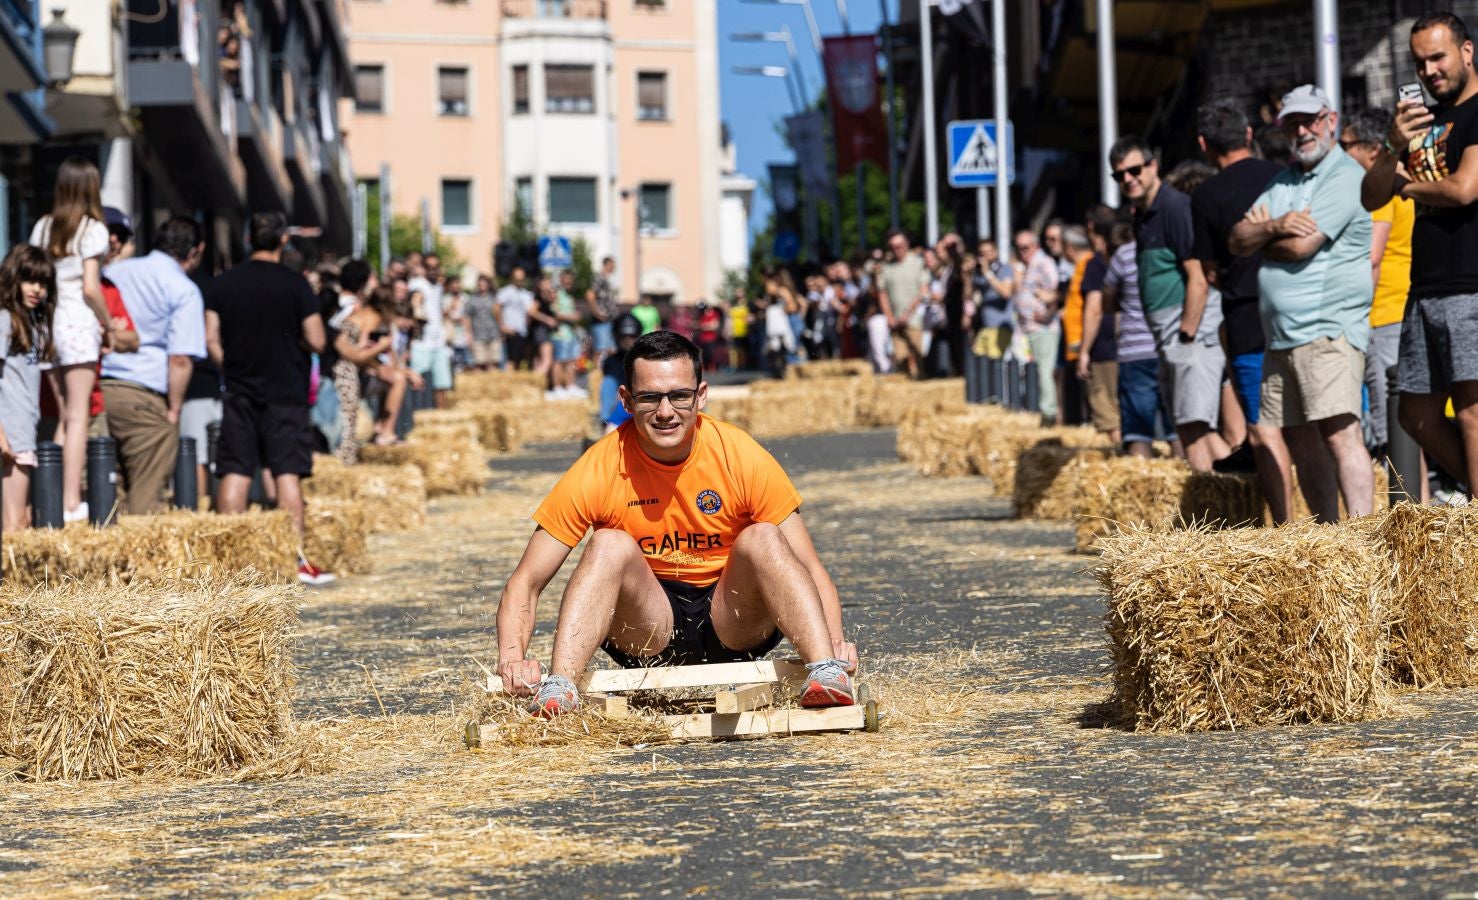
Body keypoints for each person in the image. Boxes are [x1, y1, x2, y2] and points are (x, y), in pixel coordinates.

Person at [494, 330, 858, 716]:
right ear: (627, 400)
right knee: (608, 544)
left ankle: (826, 672)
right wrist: (512, 658)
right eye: (650, 397)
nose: (666, 412)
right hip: (647, 627)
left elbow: (810, 567)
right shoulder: (599, 466)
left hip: (733, 620)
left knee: (764, 536)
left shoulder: (740, 454)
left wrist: (835, 641)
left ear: (700, 395)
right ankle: (560, 688)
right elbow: (527, 580)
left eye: (679, 396)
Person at [1231, 84, 1375, 523]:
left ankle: (1362, 540)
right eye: (1293, 123)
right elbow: (1237, 239)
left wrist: (1265, 237)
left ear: (1331, 120)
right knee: (1300, 440)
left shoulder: (1346, 175)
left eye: (1310, 120)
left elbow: (1301, 248)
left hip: (1327, 327)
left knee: (1339, 434)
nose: (1302, 130)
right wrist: (1277, 225)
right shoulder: (1284, 180)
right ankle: (1329, 538)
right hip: (1282, 336)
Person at [1360, 12, 1478, 496]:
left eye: (1438, 57)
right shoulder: (1421, 124)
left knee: (1472, 412)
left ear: (1467, 52)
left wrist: (1405, 185)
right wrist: (1391, 144)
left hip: (1470, 284)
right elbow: (1371, 196)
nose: (1429, 70)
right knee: (1415, 414)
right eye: (1419, 63)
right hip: (1423, 288)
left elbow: (1465, 189)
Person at [205, 212, 332, 583]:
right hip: (285, 392)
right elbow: (318, 340)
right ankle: (296, 560)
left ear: (248, 240)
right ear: (282, 241)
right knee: (287, 473)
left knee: (235, 471)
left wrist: (230, 364)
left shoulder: (223, 284)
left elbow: (211, 338)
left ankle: (228, 566)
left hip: (240, 390)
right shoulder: (295, 285)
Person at [1191, 99, 1296, 522]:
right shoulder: (1284, 176)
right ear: (1249, 135)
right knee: (1305, 426)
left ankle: (1288, 528)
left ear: (1203, 144)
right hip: (1294, 310)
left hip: (1246, 319)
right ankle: (1327, 526)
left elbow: (1209, 270)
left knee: (1263, 428)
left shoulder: (1205, 196)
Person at [1111, 135, 1229, 470]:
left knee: (1194, 426)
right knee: (1188, 425)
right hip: (1170, 333)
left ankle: (1222, 508)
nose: (1128, 179)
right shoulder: (1144, 214)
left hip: (1187, 330)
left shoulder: (1174, 208)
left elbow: (1198, 275)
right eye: (1119, 175)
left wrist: (1187, 334)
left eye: (1134, 170)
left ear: (1152, 166)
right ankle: (1226, 500)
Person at [98, 216, 205, 515]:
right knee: (146, 502)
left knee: (106, 495)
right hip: (144, 395)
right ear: (196, 251)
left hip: (100, 388)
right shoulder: (183, 289)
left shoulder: (115, 272)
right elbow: (180, 359)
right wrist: (174, 410)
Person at [30, 157, 114, 522]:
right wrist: (108, 324)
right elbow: (92, 288)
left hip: (46, 325)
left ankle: (46, 498)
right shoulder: (93, 229)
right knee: (78, 416)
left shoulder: (43, 227)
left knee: (63, 416)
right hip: (78, 322)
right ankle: (67, 502)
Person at [1343, 107, 1416, 462]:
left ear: (1373, 148)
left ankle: (1414, 509)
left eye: (1347, 145)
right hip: (1397, 307)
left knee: (1394, 426)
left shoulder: (1379, 182)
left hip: (1384, 313)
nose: (1340, 153)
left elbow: (1371, 256)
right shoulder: (1400, 175)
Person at [1103, 222, 1174, 459]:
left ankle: (1140, 489)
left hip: (1135, 349)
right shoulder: (1173, 248)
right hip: (1170, 343)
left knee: (1137, 431)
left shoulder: (1124, 255)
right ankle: (1190, 481)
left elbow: (1108, 296)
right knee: (1178, 428)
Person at [0, 246, 56, 531]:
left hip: (22, 432)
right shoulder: (6, 320)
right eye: (30, 280)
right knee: (14, 524)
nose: (37, 289)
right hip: (10, 436)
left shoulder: (31, 323)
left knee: (18, 522)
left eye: (43, 282)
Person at [333, 286, 403, 462]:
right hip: (346, 369)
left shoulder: (363, 313)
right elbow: (361, 352)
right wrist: (383, 348)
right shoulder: (373, 317)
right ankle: (384, 432)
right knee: (397, 380)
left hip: (342, 365)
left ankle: (378, 431)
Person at [1076, 209, 1121, 444]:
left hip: (1104, 346)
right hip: (1131, 342)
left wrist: (1084, 351)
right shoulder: (1129, 254)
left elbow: (1093, 309)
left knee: (1109, 414)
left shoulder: (1096, 263)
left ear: (1091, 227)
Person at [1012, 230, 1062, 424]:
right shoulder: (1026, 266)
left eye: (1025, 248)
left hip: (1044, 329)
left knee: (1045, 372)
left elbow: (1055, 291)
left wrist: (1048, 312)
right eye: (1019, 248)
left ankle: (1049, 413)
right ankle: (1043, 409)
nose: (1022, 252)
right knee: (1037, 372)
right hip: (1028, 328)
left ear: (1035, 246)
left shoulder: (1043, 263)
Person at [878, 230, 928, 378]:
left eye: (899, 246)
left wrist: (908, 313)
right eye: (893, 247)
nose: (896, 250)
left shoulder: (918, 263)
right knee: (900, 359)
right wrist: (889, 317)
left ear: (907, 244)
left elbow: (923, 290)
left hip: (915, 318)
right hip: (895, 318)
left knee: (919, 356)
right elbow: (883, 294)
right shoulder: (886, 267)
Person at [407, 263, 450, 409]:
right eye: (429, 268)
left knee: (442, 384)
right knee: (417, 383)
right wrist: (418, 313)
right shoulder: (419, 284)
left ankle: (441, 414)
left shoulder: (437, 287)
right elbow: (416, 300)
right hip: (422, 343)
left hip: (438, 342)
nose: (433, 271)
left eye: (435, 267)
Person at [597, 312, 643, 433]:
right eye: (624, 337)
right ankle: (606, 420)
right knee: (608, 382)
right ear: (617, 337)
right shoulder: (611, 360)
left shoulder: (643, 359)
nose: (628, 340)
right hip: (621, 402)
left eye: (632, 336)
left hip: (638, 399)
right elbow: (611, 382)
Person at [971, 238, 1016, 360]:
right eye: (982, 253)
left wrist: (988, 273)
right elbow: (970, 297)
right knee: (977, 359)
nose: (986, 256)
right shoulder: (979, 273)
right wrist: (966, 276)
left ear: (996, 252)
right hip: (985, 326)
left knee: (993, 364)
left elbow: (1006, 292)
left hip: (1001, 327)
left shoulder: (1004, 269)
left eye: (989, 252)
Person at [550, 270, 583, 398]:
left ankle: (570, 386)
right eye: (566, 278)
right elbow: (554, 313)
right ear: (561, 279)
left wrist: (576, 320)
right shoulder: (557, 294)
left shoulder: (570, 296)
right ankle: (557, 387)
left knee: (571, 360)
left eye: (570, 279)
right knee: (559, 361)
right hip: (560, 334)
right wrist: (572, 317)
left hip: (570, 334)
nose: (569, 281)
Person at [496, 266, 534, 370]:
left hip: (523, 331)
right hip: (510, 330)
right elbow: (496, 308)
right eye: (518, 279)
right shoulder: (505, 292)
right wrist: (502, 326)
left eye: (522, 278)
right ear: (512, 278)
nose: (520, 281)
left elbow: (531, 312)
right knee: (510, 361)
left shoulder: (527, 294)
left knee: (519, 360)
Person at [464, 274, 501, 371]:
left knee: (493, 362)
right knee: (479, 363)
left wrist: (501, 330)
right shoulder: (472, 300)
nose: (482, 285)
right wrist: (468, 334)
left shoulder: (494, 298)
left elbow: (498, 316)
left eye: (484, 283)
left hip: (493, 333)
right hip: (478, 335)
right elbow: (467, 317)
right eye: (480, 283)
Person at [587, 256, 619, 366]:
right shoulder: (599, 278)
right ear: (606, 264)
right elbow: (590, 295)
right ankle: (596, 377)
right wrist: (597, 313)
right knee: (600, 349)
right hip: (601, 320)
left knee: (610, 349)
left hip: (608, 319)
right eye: (612, 265)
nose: (614, 267)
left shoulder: (605, 279)